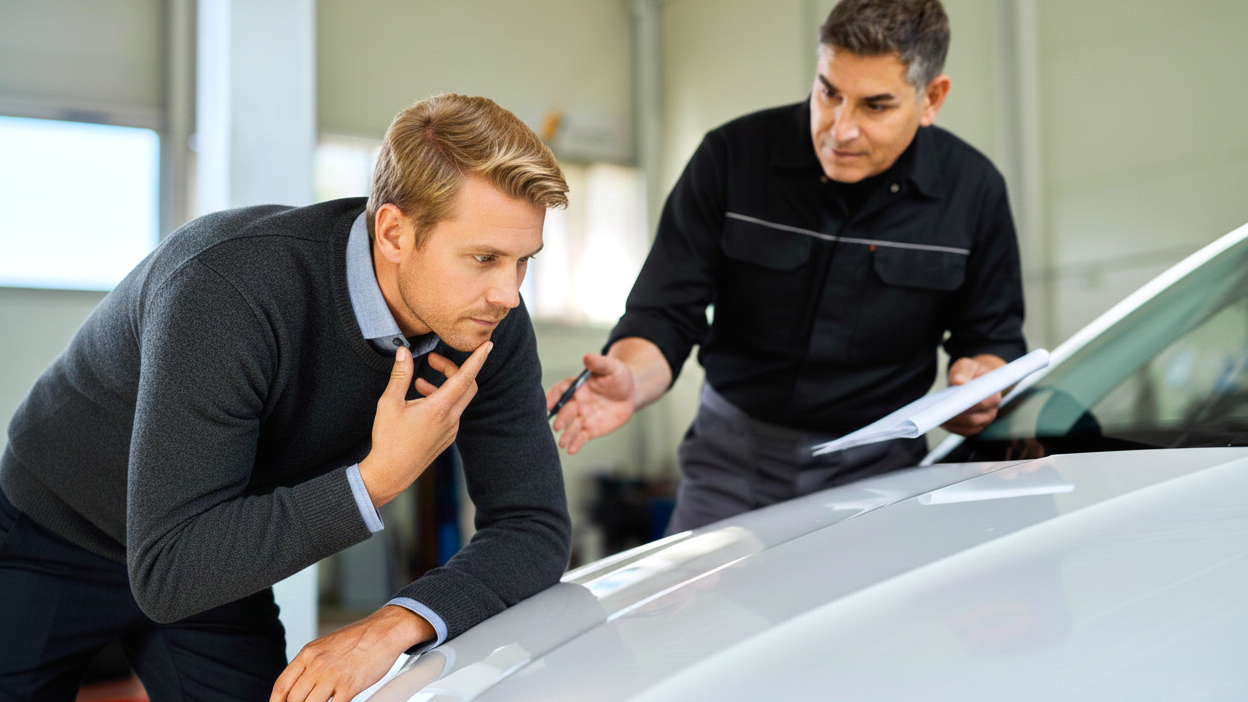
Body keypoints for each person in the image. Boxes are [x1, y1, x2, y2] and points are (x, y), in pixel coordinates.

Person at [0, 93, 572, 702]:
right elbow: (167, 571)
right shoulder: (227, 289)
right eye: (484, 258)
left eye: (522, 262)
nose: (508, 295)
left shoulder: (487, 323)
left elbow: (531, 524)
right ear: (395, 232)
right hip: (56, 529)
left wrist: (392, 626)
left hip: (215, 544)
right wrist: (378, 478)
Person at [548, 0, 1026, 533]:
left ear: (931, 98)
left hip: (879, 472)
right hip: (730, 464)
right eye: (829, 92)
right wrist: (631, 380)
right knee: (699, 616)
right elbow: (664, 313)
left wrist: (979, 380)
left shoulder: (974, 192)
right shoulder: (731, 158)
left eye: (875, 106)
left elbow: (992, 335)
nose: (840, 129)